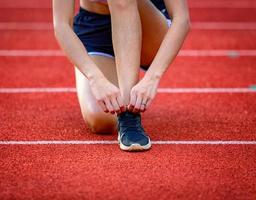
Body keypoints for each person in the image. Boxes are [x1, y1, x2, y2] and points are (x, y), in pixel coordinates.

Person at [52, 0, 190, 151]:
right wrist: (95, 78)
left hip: (148, 25)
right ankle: (122, 106)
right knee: (101, 120)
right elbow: (61, 24)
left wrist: (152, 77)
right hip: (95, 28)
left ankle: (129, 117)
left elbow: (181, 19)